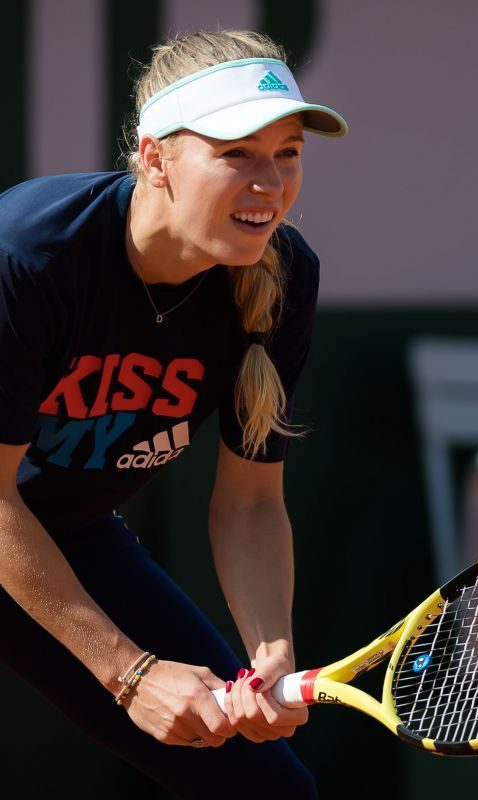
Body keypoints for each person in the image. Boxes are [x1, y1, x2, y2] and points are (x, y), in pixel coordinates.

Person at [0, 29, 347, 798]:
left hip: (65, 535)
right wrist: (131, 675)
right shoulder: (30, 254)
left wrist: (270, 653)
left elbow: (251, 501)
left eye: (287, 152)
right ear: (155, 158)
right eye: (236, 154)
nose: (270, 181)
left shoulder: (282, 278)